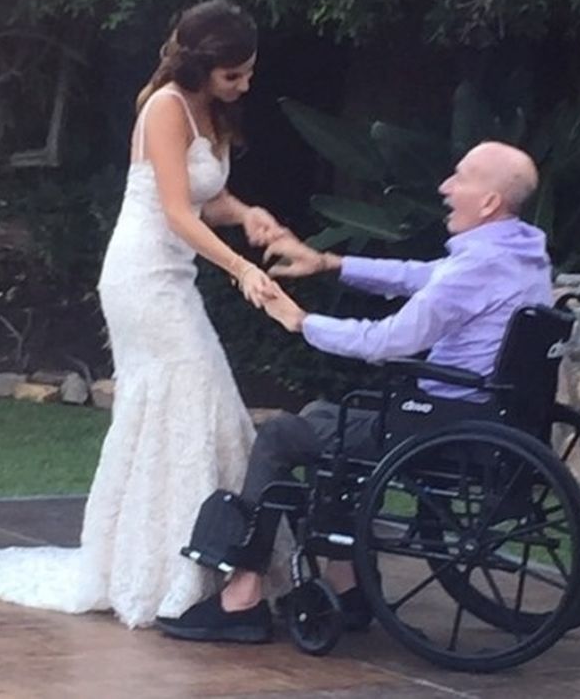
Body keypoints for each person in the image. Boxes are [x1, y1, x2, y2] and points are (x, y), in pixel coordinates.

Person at [0, 0, 286, 626]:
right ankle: (173, 569)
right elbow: (175, 210)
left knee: (204, 400)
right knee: (187, 393)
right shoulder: (164, 107)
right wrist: (240, 268)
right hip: (142, 276)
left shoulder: (208, 111)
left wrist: (246, 215)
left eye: (248, 72)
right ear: (200, 65)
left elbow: (207, 198)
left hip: (174, 274)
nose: (244, 85)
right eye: (233, 74)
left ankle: (210, 563)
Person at [156, 140, 552, 643]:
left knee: (280, 436)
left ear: (490, 202)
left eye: (460, 178)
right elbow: (421, 276)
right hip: (487, 417)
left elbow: (388, 341)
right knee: (322, 418)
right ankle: (347, 587)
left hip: (440, 424)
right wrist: (328, 262)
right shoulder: (520, 253)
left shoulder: (477, 267)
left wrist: (302, 322)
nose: (445, 187)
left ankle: (242, 597)